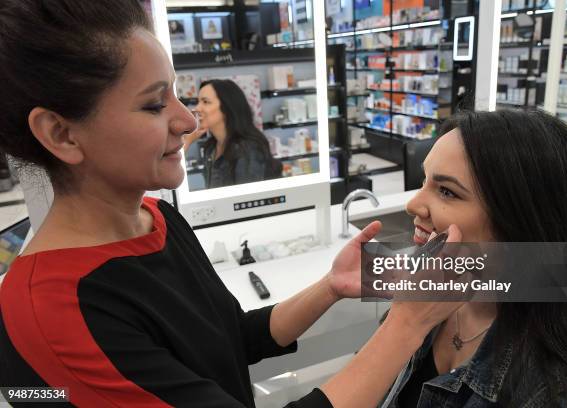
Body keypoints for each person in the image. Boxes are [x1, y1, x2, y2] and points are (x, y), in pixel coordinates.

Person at [0, 1, 463, 407]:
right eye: (153, 105)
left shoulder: (159, 220)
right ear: (61, 134)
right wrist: (406, 324)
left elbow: (231, 341)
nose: (187, 121)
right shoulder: (52, 311)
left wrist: (330, 287)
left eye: (177, 95)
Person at [380, 109, 567, 407]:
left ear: (523, 221)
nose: (413, 205)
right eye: (425, 181)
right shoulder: (431, 292)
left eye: (447, 192)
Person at [184, 79, 282, 188]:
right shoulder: (210, 148)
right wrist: (187, 140)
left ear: (227, 107)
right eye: (198, 102)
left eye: (205, 102)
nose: (197, 108)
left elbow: (247, 199)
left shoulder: (247, 149)